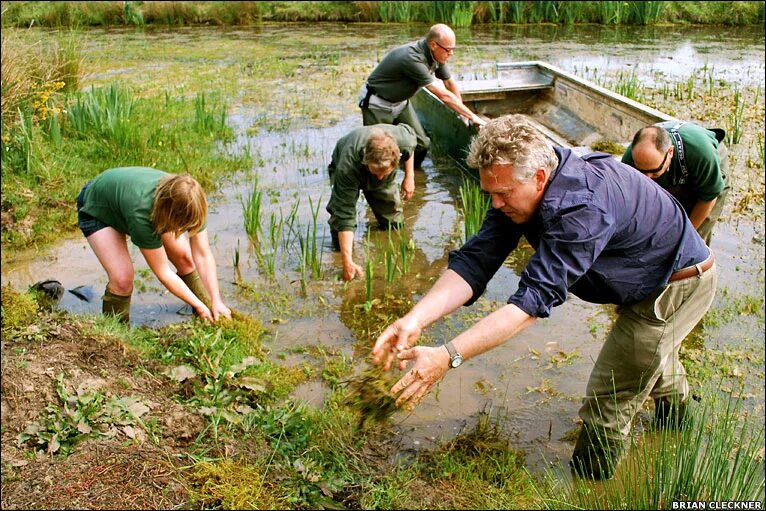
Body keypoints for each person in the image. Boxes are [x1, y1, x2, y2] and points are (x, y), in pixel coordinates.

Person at [371, 114, 717, 480]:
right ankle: (679, 426)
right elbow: (476, 260)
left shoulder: (581, 208)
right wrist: (415, 319)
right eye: (491, 194)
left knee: (611, 396)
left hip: (676, 285)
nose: (497, 203)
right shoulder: (520, 183)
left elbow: (530, 303)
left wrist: (447, 356)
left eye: (502, 194)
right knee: (650, 359)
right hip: (642, 272)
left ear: (538, 178)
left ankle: (589, 487)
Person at [76, 166, 231, 325]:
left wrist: (215, 300)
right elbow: (163, 271)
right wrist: (198, 305)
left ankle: (210, 314)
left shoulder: (194, 203)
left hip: (125, 197)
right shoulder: (142, 214)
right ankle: (116, 334)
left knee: (185, 258)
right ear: (169, 216)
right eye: (182, 227)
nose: (185, 231)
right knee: (122, 279)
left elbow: (203, 255)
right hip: (96, 206)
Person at [359, 23, 486, 167]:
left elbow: (449, 84)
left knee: (422, 143)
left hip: (400, 102)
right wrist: (473, 116)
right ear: (433, 45)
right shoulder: (412, 58)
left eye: (453, 50)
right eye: (449, 50)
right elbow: (443, 95)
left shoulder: (437, 56)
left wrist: (463, 113)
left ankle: (414, 179)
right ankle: (384, 175)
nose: (451, 54)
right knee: (377, 152)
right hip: (377, 102)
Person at [326, 124, 417, 281]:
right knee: (339, 225)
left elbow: (410, 149)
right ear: (366, 161)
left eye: (384, 172)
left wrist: (410, 177)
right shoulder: (347, 167)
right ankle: (343, 252)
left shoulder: (402, 139)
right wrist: (346, 262)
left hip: (383, 165)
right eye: (376, 172)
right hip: (347, 161)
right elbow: (345, 213)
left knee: (393, 223)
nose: (380, 177)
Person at [621, 121, 729, 245]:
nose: (647, 178)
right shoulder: (629, 160)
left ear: (670, 152)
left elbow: (708, 199)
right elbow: (630, 205)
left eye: (654, 171)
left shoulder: (701, 154)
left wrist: (684, 237)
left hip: (707, 175)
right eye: (641, 171)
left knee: (693, 240)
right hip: (672, 174)